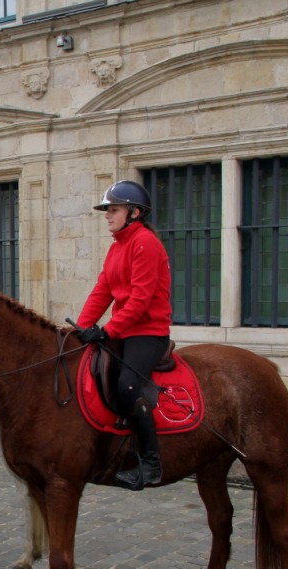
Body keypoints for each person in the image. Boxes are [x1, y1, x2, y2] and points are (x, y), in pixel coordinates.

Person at [76, 180, 171, 491]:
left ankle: (152, 463)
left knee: (128, 387)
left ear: (134, 212)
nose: (107, 215)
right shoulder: (117, 246)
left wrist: (106, 330)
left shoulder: (145, 243)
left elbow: (141, 300)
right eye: (107, 210)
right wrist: (81, 328)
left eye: (113, 210)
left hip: (148, 331)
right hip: (125, 330)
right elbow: (102, 290)